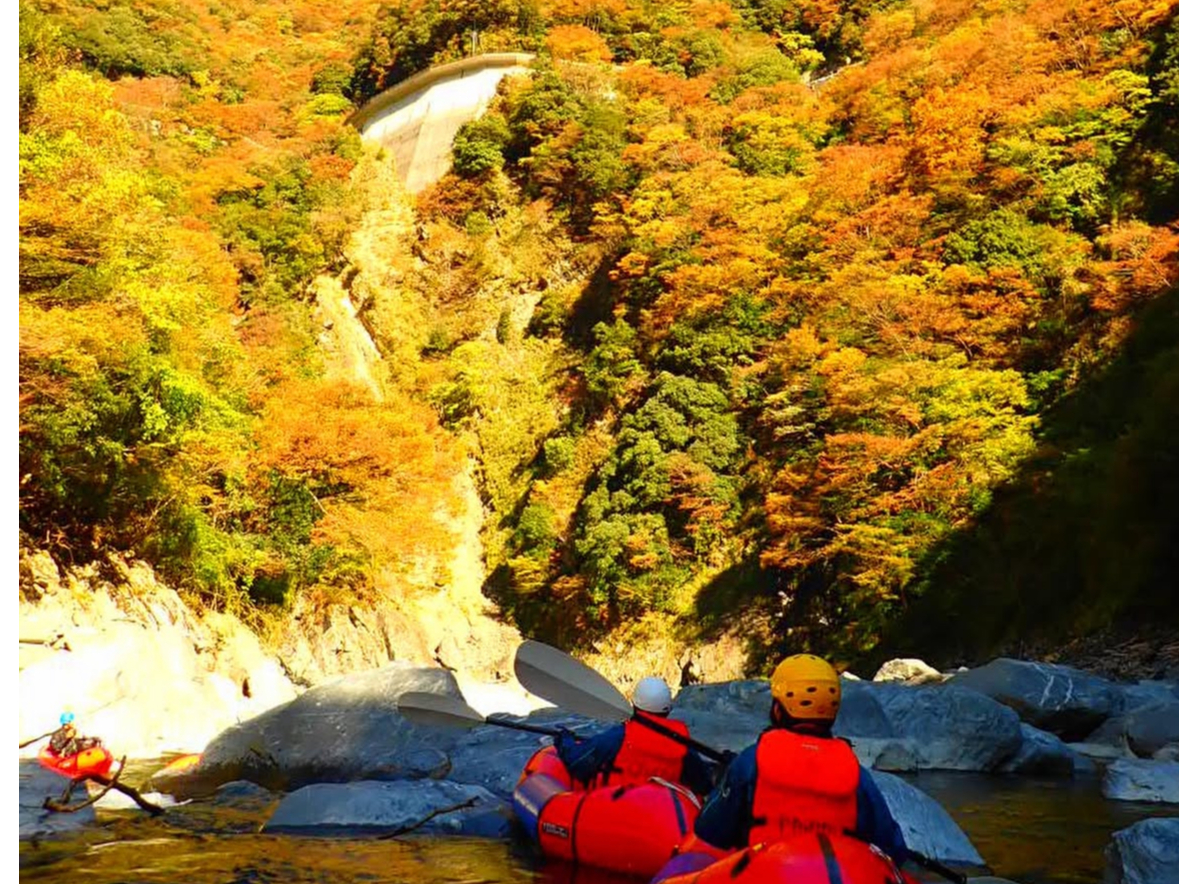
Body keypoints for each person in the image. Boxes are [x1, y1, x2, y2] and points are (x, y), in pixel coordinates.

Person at [690, 654, 908, 864]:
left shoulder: (750, 762)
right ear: (831, 713)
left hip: (765, 874)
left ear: (777, 710)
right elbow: (893, 849)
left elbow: (709, 830)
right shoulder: (856, 774)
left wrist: (724, 780)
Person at [554, 676, 717, 796]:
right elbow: (703, 786)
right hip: (660, 821)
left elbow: (577, 763)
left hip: (613, 813)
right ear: (667, 710)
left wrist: (565, 740)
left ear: (634, 704)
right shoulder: (683, 747)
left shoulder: (619, 736)